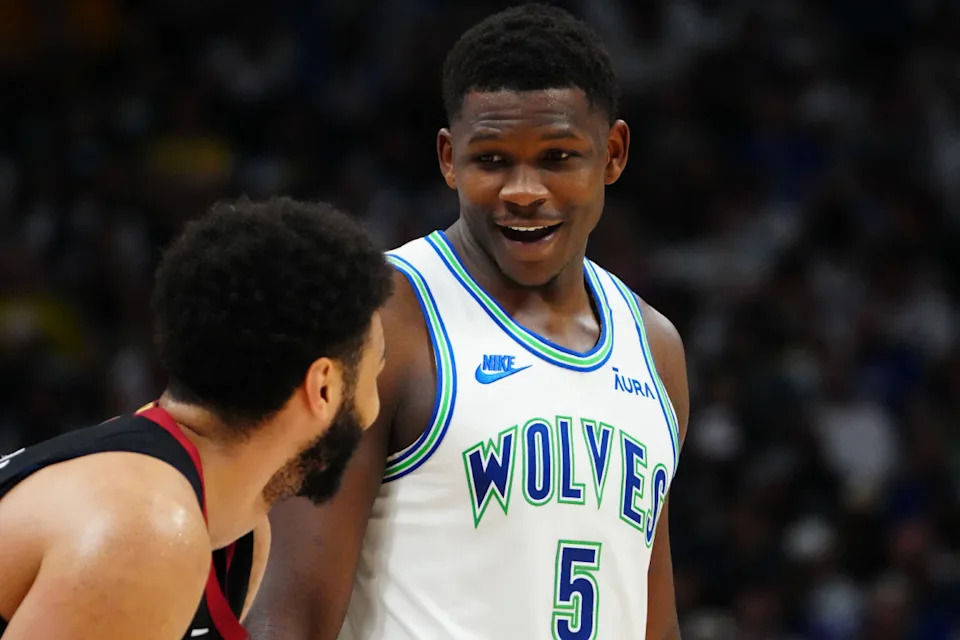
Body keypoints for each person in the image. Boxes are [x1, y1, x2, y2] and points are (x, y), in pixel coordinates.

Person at [248, 4, 690, 639]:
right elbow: (285, 619)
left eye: (559, 157)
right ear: (449, 158)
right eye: (492, 161)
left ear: (613, 153)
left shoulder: (654, 347)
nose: (523, 190)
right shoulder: (377, 319)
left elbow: (653, 621)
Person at [0, 196, 393, 640]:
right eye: (376, 371)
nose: (375, 406)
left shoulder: (236, 533)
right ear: (323, 387)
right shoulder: (146, 531)